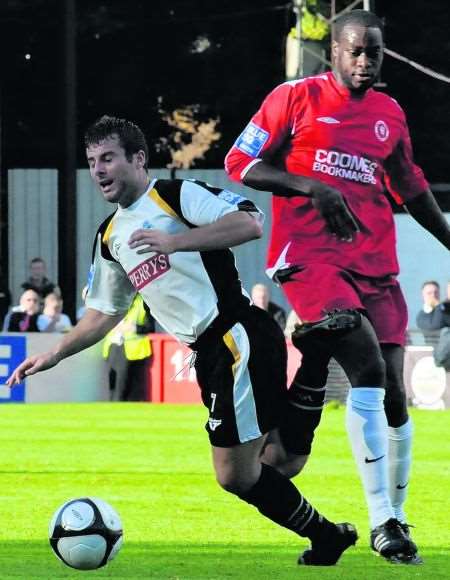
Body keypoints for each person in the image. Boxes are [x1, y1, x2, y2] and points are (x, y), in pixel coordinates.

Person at [7, 115, 357, 567]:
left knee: (235, 475)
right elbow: (105, 312)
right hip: (217, 352)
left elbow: (250, 222)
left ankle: (325, 528)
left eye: (108, 157)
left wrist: (178, 243)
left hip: (235, 339)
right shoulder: (110, 237)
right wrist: (53, 353)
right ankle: (315, 364)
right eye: (92, 161)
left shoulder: (176, 196)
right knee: (279, 461)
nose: (98, 170)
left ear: (138, 158)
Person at [225, 8, 450, 564]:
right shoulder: (294, 98)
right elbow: (238, 161)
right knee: (367, 365)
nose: (365, 61)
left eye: (374, 51)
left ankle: (395, 518)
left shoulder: (389, 114)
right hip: (309, 259)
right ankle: (381, 525)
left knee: (395, 397)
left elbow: (411, 186)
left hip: (377, 265)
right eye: (355, 51)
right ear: (334, 52)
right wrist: (311, 188)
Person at [103, 294, 154, 401]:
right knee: (113, 389)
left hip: (134, 351)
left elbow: (150, 327)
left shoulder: (143, 301)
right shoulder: (112, 297)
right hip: (112, 347)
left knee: (127, 391)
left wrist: (133, 328)